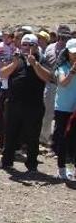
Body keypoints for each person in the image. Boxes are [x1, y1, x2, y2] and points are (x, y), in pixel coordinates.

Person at [0, 33, 52, 173]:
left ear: (36, 46)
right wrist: (14, 63)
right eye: (24, 45)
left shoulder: (41, 59)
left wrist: (35, 64)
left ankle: (32, 164)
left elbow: (47, 77)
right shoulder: (16, 58)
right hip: (14, 103)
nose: (27, 48)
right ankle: (6, 161)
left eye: (30, 45)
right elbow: (2, 74)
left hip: (34, 105)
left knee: (32, 136)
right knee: (10, 133)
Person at [39, 25, 72, 146]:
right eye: (61, 36)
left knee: (63, 114)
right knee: (48, 112)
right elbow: (45, 64)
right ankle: (44, 138)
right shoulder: (49, 48)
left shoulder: (71, 50)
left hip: (67, 85)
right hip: (51, 83)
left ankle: (60, 140)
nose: (63, 40)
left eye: (66, 37)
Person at [51, 38, 76, 180]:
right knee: (63, 138)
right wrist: (72, 72)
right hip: (63, 108)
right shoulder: (63, 67)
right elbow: (63, 83)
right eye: (73, 53)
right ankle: (61, 168)